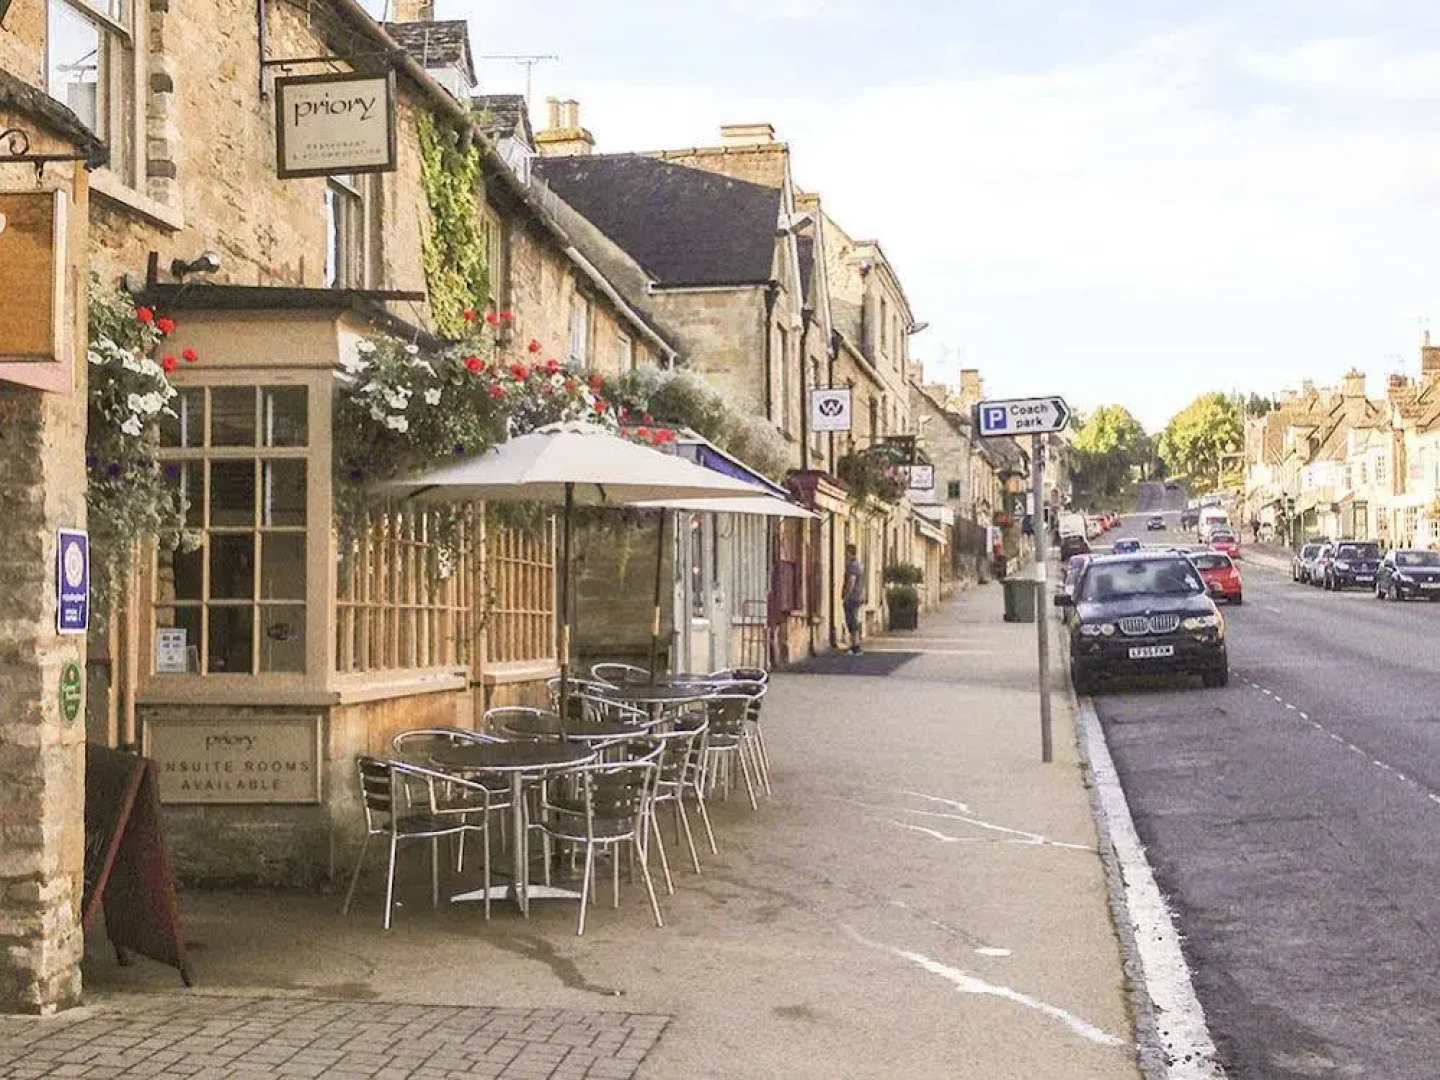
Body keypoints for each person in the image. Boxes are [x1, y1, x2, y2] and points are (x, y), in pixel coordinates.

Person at [842, 543, 865, 655]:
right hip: (858, 596)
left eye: (846, 552)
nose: (844, 554)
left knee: (851, 621)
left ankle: (855, 646)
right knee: (854, 620)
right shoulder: (859, 564)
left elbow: (851, 581)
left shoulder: (852, 565)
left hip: (853, 597)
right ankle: (855, 645)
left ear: (849, 552)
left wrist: (846, 596)